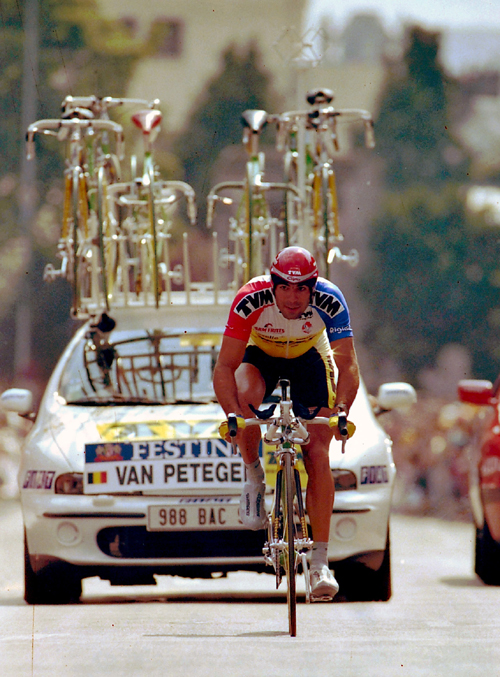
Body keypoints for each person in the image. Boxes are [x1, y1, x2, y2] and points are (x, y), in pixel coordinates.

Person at [213, 246, 360, 601]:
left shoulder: (331, 299)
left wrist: (340, 411)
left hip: (309, 357)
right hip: (261, 355)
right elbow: (224, 368)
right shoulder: (250, 297)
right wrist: (233, 416)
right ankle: (253, 476)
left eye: (301, 290)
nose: (293, 298)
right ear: (273, 285)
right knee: (245, 401)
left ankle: (320, 564)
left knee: (318, 450)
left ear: (313, 288)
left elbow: (348, 366)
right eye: (285, 289)